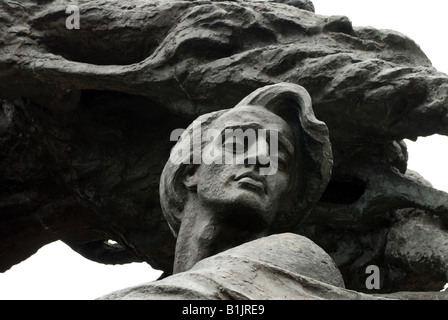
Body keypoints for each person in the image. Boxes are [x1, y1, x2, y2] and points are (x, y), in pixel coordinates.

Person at [99, 83, 384, 300]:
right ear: (191, 171)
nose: (262, 158)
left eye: (280, 160)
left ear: (283, 199)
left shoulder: (296, 259)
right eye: (236, 144)